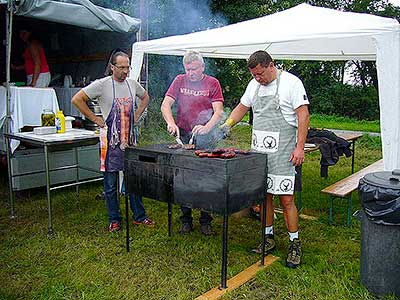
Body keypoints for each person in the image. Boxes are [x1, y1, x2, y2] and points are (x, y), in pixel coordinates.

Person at [221, 50, 309, 268]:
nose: (258, 78)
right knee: (264, 197)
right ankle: (268, 237)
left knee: (286, 198)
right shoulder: (254, 85)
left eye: (260, 74)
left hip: (284, 151)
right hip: (260, 152)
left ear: (271, 65)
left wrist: (300, 147)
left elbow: (303, 115)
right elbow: (242, 107)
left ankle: (294, 243)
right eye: (254, 75)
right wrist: (227, 125)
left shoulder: (291, 83)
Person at [71, 51, 155, 232]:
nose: (126, 71)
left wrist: (138, 115)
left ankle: (139, 216)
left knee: (133, 179)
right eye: (122, 67)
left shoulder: (133, 84)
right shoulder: (102, 85)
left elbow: (146, 97)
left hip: (130, 140)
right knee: (110, 184)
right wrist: (96, 119)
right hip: (110, 141)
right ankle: (114, 218)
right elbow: (77, 99)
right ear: (112, 67)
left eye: (128, 67)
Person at [161, 50, 224, 236]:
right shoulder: (179, 80)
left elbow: (218, 112)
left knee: (205, 178)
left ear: (202, 67)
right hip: (185, 134)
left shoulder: (213, 83)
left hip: (206, 136)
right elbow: (165, 105)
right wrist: (171, 123)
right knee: (182, 178)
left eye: (194, 69)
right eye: (188, 69)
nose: (191, 73)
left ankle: (206, 220)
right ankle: (186, 219)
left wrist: (206, 127)